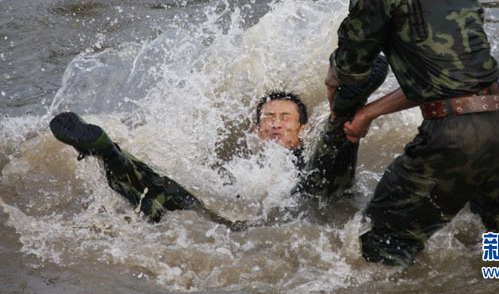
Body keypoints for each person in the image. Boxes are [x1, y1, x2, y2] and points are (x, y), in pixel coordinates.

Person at [324, 0, 499, 267]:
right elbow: (447, 81)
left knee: (380, 242)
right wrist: (370, 113)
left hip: (453, 137)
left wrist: (333, 76)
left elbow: (355, 67)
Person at [50, 56, 389, 228]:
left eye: (286, 118)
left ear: (302, 129)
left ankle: (347, 104)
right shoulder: (239, 170)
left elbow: (325, 177)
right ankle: (107, 152)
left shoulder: (307, 155)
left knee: (326, 175)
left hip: (312, 200)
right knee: (177, 199)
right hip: (246, 227)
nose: (275, 124)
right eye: (268, 118)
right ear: (255, 132)